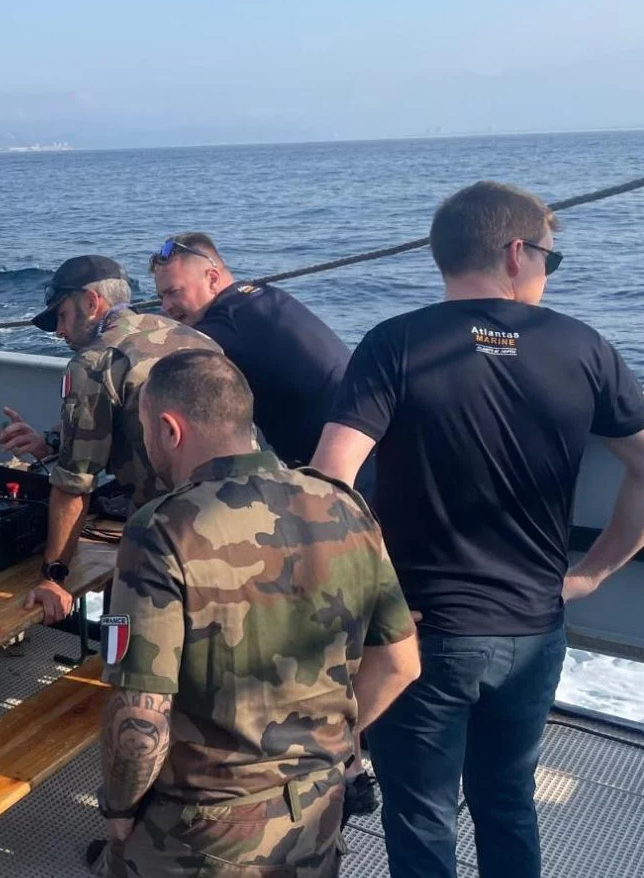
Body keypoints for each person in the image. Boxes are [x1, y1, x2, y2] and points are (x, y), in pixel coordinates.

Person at [312, 181, 644, 878]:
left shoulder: (394, 342)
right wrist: (590, 574)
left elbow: (328, 482)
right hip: (533, 628)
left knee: (420, 817)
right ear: (517, 253)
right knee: (508, 803)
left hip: (418, 634)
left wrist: (368, 599)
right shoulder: (584, 347)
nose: (549, 272)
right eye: (552, 258)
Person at [98, 349, 420, 877]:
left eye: (145, 430)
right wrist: (326, 747)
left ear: (169, 429)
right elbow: (401, 663)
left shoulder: (161, 529)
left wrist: (118, 809)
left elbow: (141, 712)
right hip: (317, 812)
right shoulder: (343, 504)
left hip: (202, 830)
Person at [0, 254, 222, 623]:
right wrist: (51, 442)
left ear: (90, 302)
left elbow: (74, 485)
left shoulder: (95, 363)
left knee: (126, 621)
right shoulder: (195, 337)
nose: (59, 331)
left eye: (62, 316)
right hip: (242, 514)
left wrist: (54, 577)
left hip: (175, 535)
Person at [150, 232, 350, 467]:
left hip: (335, 464)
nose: (165, 306)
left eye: (173, 292)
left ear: (212, 279)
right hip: (363, 435)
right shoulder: (261, 298)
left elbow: (156, 357)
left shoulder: (224, 325)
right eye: (161, 296)